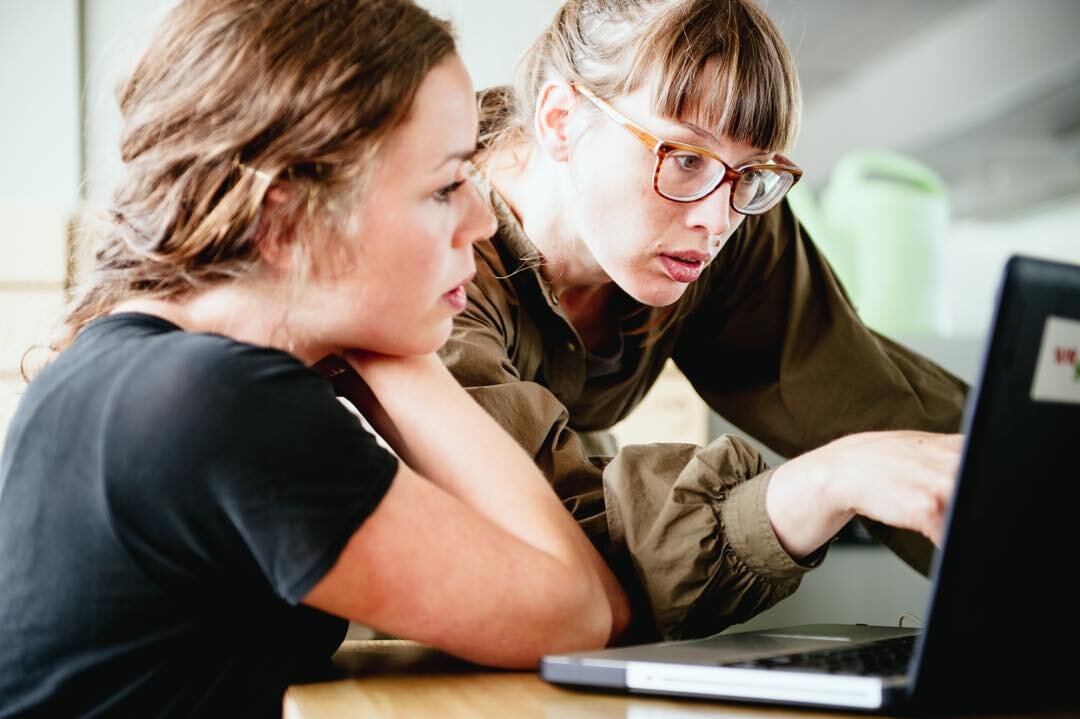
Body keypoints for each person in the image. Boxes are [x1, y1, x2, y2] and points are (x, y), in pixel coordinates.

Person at [0, 1, 629, 716]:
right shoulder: (218, 403)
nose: (482, 220)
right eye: (446, 186)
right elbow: (581, 615)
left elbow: (577, 607)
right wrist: (403, 361)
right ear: (285, 220)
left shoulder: (127, 365)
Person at [439, 0, 967, 641]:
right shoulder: (438, 262)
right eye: (685, 158)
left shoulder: (723, 216)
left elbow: (881, 413)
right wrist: (823, 483)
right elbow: (555, 550)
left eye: (753, 174)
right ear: (560, 121)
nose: (717, 222)